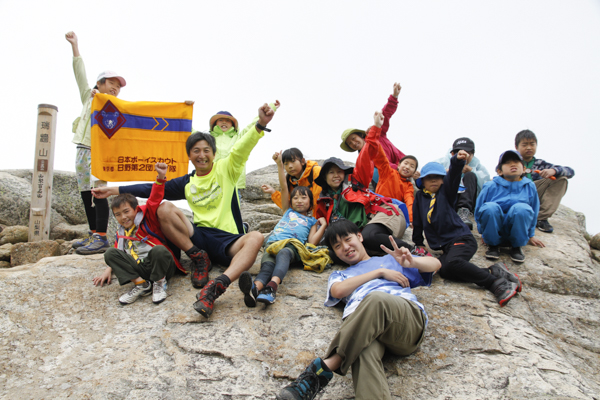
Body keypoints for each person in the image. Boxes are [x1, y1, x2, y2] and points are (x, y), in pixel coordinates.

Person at [92, 102, 277, 318]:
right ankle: (198, 258)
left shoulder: (227, 168)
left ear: (214, 154)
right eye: (196, 151)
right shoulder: (187, 182)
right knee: (164, 208)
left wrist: (260, 124)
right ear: (189, 156)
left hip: (228, 241)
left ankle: (217, 286)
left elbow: (242, 147)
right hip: (198, 236)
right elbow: (152, 189)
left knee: (255, 237)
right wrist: (114, 189)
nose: (202, 155)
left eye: (206, 150)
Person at [276, 219, 440, 400]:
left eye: (348, 239)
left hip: (405, 322)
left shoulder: (390, 260)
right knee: (361, 353)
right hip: (365, 330)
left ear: (360, 236)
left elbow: (436, 265)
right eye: (338, 246)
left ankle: (327, 366)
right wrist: (379, 273)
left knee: (376, 299)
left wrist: (412, 263)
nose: (345, 247)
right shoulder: (340, 274)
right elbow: (337, 291)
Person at [413, 154, 521, 306]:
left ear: (443, 180)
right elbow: (418, 220)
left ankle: (495, 283)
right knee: (443, 269)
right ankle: (493, 271)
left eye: (438, 177)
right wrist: (418, 242)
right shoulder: (420, 197)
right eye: (429, 177)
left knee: (452, 263)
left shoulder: (446, 192)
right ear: (422, 181)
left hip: (462, 239)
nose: (433, 180)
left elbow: (454, 176)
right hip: (447, 246)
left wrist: (457, 162)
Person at [316, 111, 411, 259]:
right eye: (331, 172)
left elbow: (366, 154)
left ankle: (415, 251)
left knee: (368, 237)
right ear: (324, 177)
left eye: (339, 171)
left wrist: (375, 129)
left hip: (383, 215)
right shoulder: (324, 204)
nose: (336, 175)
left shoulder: (354, 182)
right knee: (341, 252)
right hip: (363, 233)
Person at [65, 31, 126, 255]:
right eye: (111, 83)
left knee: (98, 191)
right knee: (85, 192)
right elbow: (79, 74)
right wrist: (75, 46)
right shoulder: (89, 98)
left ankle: (101, 236)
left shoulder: (117, 107)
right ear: (99, 84)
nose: (115, 88)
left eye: (118, 86)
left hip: (99, 153)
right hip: (82, 150)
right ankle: (93, 233)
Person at [240, 152, 328, 306]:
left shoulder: (312, 220)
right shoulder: (288, 211)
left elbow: (313, 241)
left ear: (311, 201)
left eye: (303, 197)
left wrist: (323, 225)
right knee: (266, 266)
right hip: (273, 244)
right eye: (295, 198)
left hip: (292, 247)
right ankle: (254, 289)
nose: (299, 201)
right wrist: (279, 165)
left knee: (284, 253)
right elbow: (283, 187)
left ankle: (272, 288)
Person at [93, 163, 186, 305]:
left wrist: (161, 177)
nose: (123, 217)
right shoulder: (121, 232)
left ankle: (160, 283)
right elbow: (119, 252)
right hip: (140, 269)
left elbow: (154, 198)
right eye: (118, 214)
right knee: (109, 253)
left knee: (159, 250)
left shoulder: (147, 219)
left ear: (136, 209)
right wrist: (108, 270)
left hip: (159, 264)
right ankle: (142, 284)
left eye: (126, 212)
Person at [475, 150, 545, 263]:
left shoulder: (529, 186)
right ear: (499, 171)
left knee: (522, 208)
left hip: (517, 231)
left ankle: (516, 248)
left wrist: (531, 235)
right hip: (494, 231)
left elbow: (534, 210)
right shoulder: (490, 186)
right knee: (490, 207)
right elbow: (479, 209)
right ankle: (493, 246)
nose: (513, 164)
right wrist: (482, 232)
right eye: (507, 163)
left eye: (517, 162)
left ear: (523, 168)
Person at [206, 101, 280, 203]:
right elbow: (189, 133)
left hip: (233, 184)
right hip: (211, 182)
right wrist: (183, 112)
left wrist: (272, 107)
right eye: (220, 120)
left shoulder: (238, 137)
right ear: (215, 123)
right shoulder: (208, 138)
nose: (224, 122)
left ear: (233, 124)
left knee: (232, 215)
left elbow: (252, 126)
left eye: (227, 120)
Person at [340, 83, 406, 186]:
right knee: (375, 171)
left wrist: (394, 96)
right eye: (350, 143)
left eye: (353, 138)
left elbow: (384, 115)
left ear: (360, 135)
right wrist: (398, 169)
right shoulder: (363, 158)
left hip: (403, 165)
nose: (353, 143)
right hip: (388, 178)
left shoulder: (377, 133)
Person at [515, 129, 575, 233]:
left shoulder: (541, 164)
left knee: (561, 179)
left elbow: (570, 171)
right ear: (517, 147)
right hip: (516, 193)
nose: (529, 147)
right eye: (524, 145)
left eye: (532, 144)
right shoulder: (511, 161)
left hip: (535, 192)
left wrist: (553, 171)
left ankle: (540, 218)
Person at [433, 137, 490, 230]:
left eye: (466, 154)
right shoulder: (441, 162)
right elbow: (428, 176)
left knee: (471, 175)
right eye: (458, 153)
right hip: (447, 198)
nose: (462, 156)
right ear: (452, 153)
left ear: (472, 154)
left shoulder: (478, 167)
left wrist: (472, 171)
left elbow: (487, 186)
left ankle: (463, 212)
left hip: (468, 200)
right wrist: (451, 171)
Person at [262, 147, 322, 217]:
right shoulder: (290, 182)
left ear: (302, 161)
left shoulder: (316, 172)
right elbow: (288, 205)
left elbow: (317, 199)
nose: (290, 166)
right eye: (286, 164)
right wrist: (273, 192)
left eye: (293, 161)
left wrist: (315, 223)